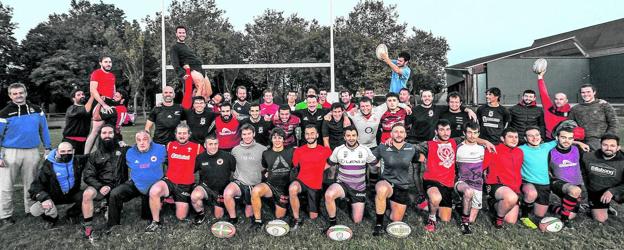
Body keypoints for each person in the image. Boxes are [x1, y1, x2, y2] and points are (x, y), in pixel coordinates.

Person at [416, 119, 493, 232]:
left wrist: (486, 142)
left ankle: (428, 205)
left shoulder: (455, 142)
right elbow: (411, 147)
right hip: (432, 180)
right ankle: (431, 219)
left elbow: (471, 137)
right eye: (442, 130)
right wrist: (392, 140)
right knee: (436, 197)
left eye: (447, 129)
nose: (445, 133)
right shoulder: (428, 144)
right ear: (436, 131)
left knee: (445, 218)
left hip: (448, 184)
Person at [0, 83, 52, 228]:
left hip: (32, 151)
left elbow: (44, 130)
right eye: (15, 93)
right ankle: (5, 215)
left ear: (26, 93)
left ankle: (31, 209)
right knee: (6, 185)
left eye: (21, 92)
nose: (18, 95)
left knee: (31, 183)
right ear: (10, 96)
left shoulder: (37, 110)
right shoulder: (4, 113)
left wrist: (48, 147)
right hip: (10, 152)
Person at [145, 124, 203, 232]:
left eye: (184, 133)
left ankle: (175, 199)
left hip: (185, 185)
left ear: (189, 134)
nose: (182, 135)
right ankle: (155, 221)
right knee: (154, 191)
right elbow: (150, 149)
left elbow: (205, 163)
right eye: (179, 133)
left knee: (181, 217)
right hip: (169, 181)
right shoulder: (169, 145)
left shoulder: (198, 147)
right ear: (175, 134)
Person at [106, 131, 165, 232]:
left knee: (147, 217)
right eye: (139, 140)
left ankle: (159, 204)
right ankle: (113, 225)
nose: (142, 143)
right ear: (135, 142)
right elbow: (113, 152)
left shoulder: (161, 149)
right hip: (135, 183)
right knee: (115, 193)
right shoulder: (130, 152)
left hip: (153, 185)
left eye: (145, 139)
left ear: (150, 140)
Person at [81, 124, 129, 238]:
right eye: (104, 133)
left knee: (112, 216)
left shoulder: (124, 150)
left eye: (110, 133)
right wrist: (99, 186)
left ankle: (108, 206)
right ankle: (88, 226)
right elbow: (88, 176)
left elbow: (141, 151)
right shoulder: (94, 155)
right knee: (87, 194)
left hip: (117, 187)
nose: (107, 135)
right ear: (100, 135)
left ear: (114, 134)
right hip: (101, 186)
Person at [324, 126, 376, 230]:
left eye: (353, 135)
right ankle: (332, 223)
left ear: (357, 136)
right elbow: (328, 164)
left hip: (359, 188)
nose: (351, 138)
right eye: (348, 135)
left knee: (357, 221)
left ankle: (349, 201)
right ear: (344, 137)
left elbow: (376, 164)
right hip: (343, 184)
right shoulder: (338, 150)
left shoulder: (365, 150)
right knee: (329, 195)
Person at [371, 124, 418, 236]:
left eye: (401, 132)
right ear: (391, 134)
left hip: (402, 186)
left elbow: (420, 159)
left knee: (396, 219)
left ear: (405, 134)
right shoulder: (383, 147)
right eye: (395, 132)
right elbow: (370, 159)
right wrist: (378, 165)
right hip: (386, 182)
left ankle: (386, 208)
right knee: (382, 189)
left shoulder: (411, 148)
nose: (398, 134)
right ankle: (379, 224)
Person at [28, 142, 87, 229]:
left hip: (71, 193)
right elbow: (36, 186)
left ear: (73, 151)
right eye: (62, 151)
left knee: (86, 195)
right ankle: (51, 218)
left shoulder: (77, 160)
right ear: (57, 152)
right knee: (35, 210)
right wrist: (44, 198)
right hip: (53, 195)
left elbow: (93, 156)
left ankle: (72, 214)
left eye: (69, 151)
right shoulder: (48, 165)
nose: (66, 154)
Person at [249, 129, 294, 230]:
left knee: (279, 217)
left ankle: (286, 208)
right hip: (270, 185)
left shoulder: (291, 151)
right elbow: (265, 167)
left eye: (279, 138)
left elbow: (297, 167)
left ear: (283, 140)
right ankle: (258, 221)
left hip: (284, 189)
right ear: (271, 139)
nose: (277, 140)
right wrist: (266, 174)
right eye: (275, 138)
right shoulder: (266, 153)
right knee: (256, 191)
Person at [289, 125, 332, 229]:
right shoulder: (299, 150)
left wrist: (322, 169)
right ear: (304, 136)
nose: (310, 136)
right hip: (302, 181)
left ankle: (308, 203)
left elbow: (332, 164)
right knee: (292, 188)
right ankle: (296, 219)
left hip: (316, 185)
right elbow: (294, 167)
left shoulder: (325, 150)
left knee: (313, 217)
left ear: (317, 135)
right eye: (307, 134)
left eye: (312, 133)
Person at [223, 124, 267, 224]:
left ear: (254, 134)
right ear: (241, 136)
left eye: (249, 134)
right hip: (239, 182)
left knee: (248, 214)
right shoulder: (235, 150)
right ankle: (233, 218)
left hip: (253, 184)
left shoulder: (263, 149)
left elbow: (267, 165)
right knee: (227, 193)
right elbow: (232, 166)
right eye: (244, 134)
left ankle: (247, 202)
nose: (247, 136)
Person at [190, 135, 236, 225]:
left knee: (218, 216)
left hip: (221, 189)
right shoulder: (200, 157)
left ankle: (220, 201)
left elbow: (236, 172)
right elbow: (191, 171)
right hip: (205, 187)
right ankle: (200, 214)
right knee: (195, 196)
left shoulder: (227, 156)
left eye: (215, 144)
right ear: (205, 145)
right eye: (210, 144)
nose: (213, 146)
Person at [483, 128, 523, 229]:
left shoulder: (519, 152)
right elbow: (481, 167)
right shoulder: (493, 149)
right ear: (502, 138)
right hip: (495, 184)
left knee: (510, 220)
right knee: (511, 198)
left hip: (513, 188)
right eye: (510, 137)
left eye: (516, 137)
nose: (514, 140)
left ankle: (493, 204)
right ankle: (498, 220)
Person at [581, 134, 624, 223]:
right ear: (600, 145)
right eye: (605, 145)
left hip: (618, 188)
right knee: (600, 219)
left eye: (612, 145)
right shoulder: (588, 157)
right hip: (597, 191)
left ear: (618, 147)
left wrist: (613, 191)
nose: (608, 148)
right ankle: (599, 206)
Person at [548, 126, 584, 228]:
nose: (566, 141)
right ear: (557, 138)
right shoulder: (550, 151)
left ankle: (553, 207)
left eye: (569, 138)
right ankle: (564, 220)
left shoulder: (578, 150)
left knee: (572, 214)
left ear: (573, 140)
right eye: (563, 137)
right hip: (558, 183)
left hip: (576, 184)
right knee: (574, 191)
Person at [454, 122, 485, 235]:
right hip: (462, 182)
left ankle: (460, 206)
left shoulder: (483, 149)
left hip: (477, 184)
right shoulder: (458, 148)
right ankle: (465, 225)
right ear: (464, 133)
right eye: (469, 132)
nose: (472, 135)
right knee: (468, 192)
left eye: (475, 133)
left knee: (472, 219)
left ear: (479, 134)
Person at [569, 84, 619, 150]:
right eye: (583, 92)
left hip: (600, 141)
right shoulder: (575, 109)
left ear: (594, 92)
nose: (586, 94)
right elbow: (570, 125)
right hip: (582, 142)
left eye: (588, 92)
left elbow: (614, 123)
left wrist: (607, 139)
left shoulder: (604, 105)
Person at [170, 25, 213, 100]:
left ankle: (201, 107)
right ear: (176, 34)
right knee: (200, 85)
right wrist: (182, 74)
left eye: (183, 32)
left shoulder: (187, 46)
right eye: (180, 33)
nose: (182, 34)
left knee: (208, 92)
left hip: (199, 68)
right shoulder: (174, 47)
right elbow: (175, 63)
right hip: (190, 69)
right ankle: (195, 107)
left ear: (186, 34)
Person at [84, 56, 116, 154]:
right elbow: (93, 90)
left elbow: (113, 90)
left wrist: (113, 102)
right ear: (100, 63)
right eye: (106, 62)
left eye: (110, 62)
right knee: (95, 131)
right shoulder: (96, 73)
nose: (108, 64)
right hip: (99, 103)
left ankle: (102, 155)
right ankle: (85, 156)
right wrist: (103, 104)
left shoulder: (112, 75)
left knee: (108, 132)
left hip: (109, 104)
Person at [537, 72, 573, 140]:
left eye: (561, 99)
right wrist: (540, 77)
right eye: (556, 99)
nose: (558, 101)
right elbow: (543, 93)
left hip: (564, 140)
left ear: (566, 100)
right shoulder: (548, 108)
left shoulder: (572, 111)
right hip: (549, 140)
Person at [63, 89, 94, 155]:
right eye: (79, 95)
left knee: (81, 163)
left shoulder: (88, 109)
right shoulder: (72, 109)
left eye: (83, 94)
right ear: (73, 98)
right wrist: (93, 96)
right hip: (70, 141)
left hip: (84, 141)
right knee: (70, 163)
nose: (82, 96)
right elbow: (84, 110)